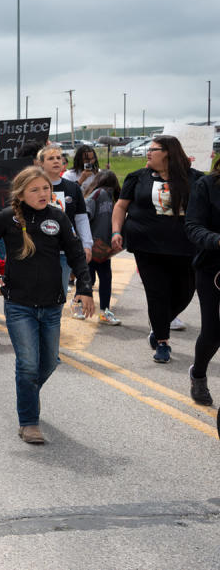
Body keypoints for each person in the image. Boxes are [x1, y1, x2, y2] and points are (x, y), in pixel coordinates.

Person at [0, 166, 94, 444]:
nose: (43, 193)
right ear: (21, 193)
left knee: (49, 363)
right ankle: (28, 422)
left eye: (46, 189)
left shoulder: (59, 217)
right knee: (27, 365)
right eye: (35, 189)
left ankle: (26, 393)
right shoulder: (6, 218)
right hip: (19, 306)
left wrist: (85, 289)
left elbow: (76, 254)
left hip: (51, 305)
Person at [112, 135, 202, 363]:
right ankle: (163, 342)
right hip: (147, 246)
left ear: (169, 152)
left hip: (185, 247)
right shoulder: (137, 178)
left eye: (154, 149)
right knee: (157, 294)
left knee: (185, 293)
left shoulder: (195, 179)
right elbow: (121, 207)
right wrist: (116, 231)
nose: (148, 153)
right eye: (148, 149)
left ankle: (159, 323)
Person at [36, 144, 93, 318]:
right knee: (37, 294)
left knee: (58, 296)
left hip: (63, 253)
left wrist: (87, 244)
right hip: (37, 251)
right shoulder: (33, 186)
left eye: (59, 158)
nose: (56, 161)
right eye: (51, 158)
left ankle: (51, 330)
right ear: (41, 163)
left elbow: (81, 218)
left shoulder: (72, 188)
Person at [184, 156, 220, 405]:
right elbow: (193, 225)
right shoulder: (206, 185)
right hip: (213, 267)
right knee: (213, 331)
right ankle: (198, 374)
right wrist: (216, 240)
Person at [83, 170, 122, 326]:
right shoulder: (101, 195)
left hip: (97, 245)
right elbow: (85, 216)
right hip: (98, 245)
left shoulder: (99, 194)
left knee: (92, 277)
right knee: (102, 279)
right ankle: (102, 310)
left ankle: (82, 305)